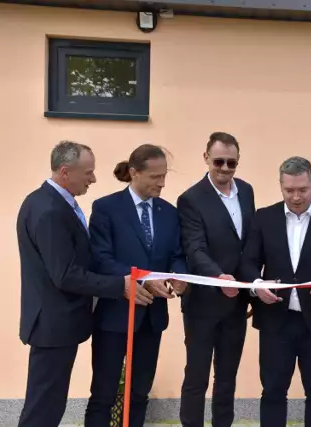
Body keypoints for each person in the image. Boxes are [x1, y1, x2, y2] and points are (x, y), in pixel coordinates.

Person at [16, 141, 142, 427]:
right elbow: (65, 275)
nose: (93, 179)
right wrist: (117, 285)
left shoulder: (54, 203)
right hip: (52, 325)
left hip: (58, 324)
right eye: (88, 172)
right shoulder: (48, 210)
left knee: (49, 403)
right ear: (64, 171)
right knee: (43, 408)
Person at [240, 156, 311, 427]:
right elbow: (248, 263)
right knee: (273, 392)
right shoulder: (264, 217)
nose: (297, 197)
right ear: (281, 186)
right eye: (289, 190)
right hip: (276, 322)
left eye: (303, 190)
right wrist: (257, 286)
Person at [83, 144, 188, 427]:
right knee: (103, 393)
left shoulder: (169, 212)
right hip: (114, 316)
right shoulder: (106, 208)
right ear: (133, 173)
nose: (162, 183)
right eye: (155, 176)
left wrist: (179, 276)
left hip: (151, 319)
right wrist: (145, 278)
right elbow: (100, 259)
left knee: (139, 393)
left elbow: (178, 255)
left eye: (164, 176)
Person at [176, 132, 255, 427]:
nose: (224, 168)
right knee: (196, 376)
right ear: (206, 158)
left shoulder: (246, 191)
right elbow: (194, 248)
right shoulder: (190, 199)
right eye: (218, 161)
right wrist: (217, 276)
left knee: (227, 377)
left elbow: (247, 244)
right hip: (202, 304)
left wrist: (253, 285)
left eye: (231, 163)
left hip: (236, 304)